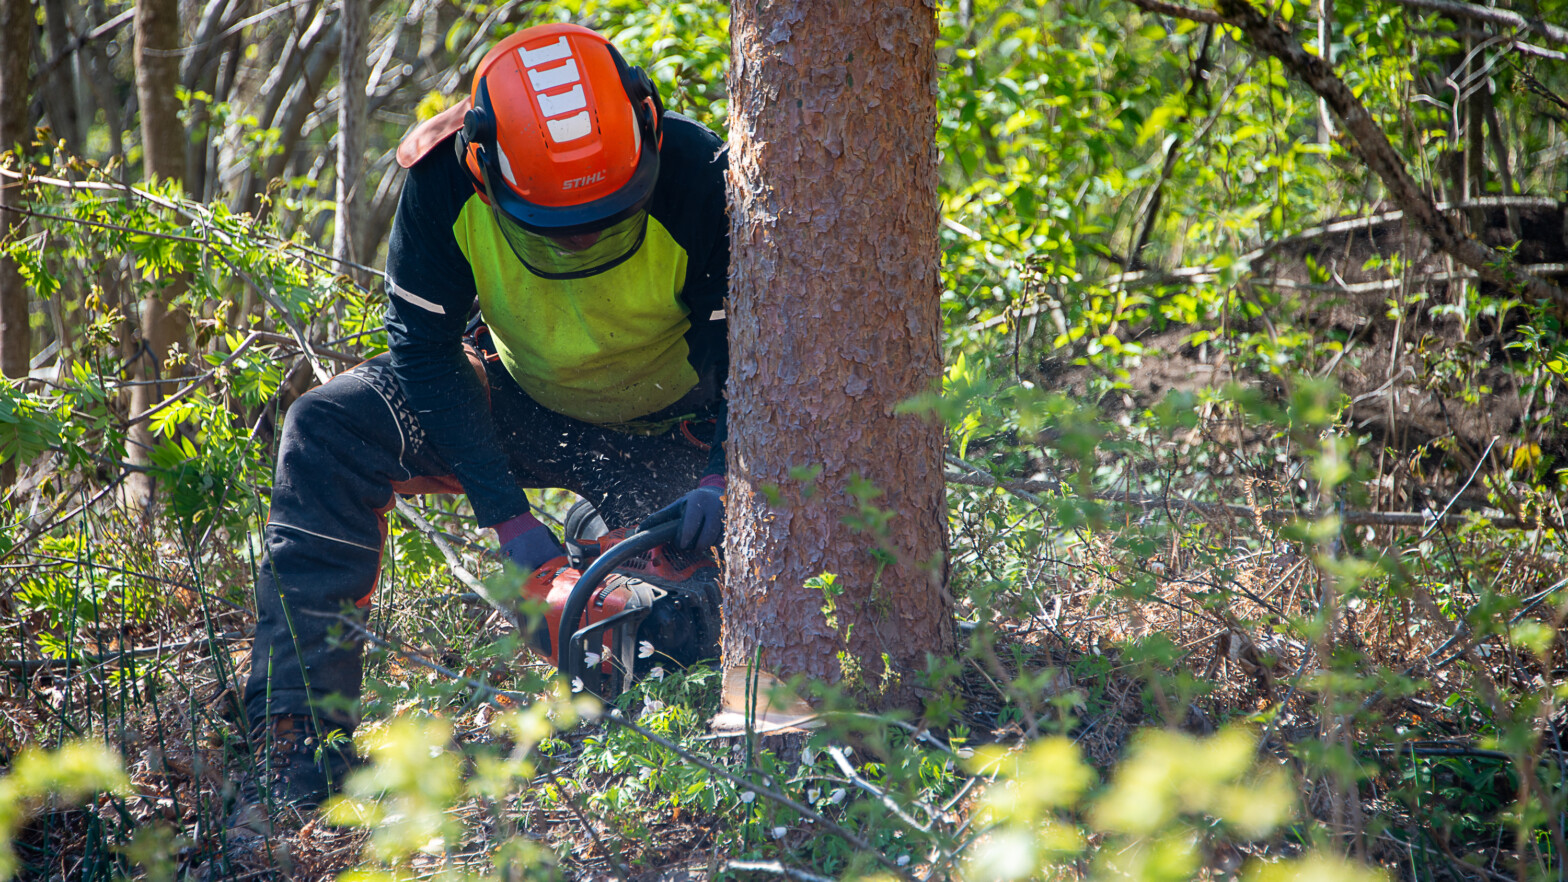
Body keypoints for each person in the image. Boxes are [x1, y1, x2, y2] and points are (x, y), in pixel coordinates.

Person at [232, 22, 729, 823]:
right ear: (483, 167)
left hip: (674, 436)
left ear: (646, 125)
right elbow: (424, 352)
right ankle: (297, 737)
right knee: (328, 428)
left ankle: (605, 544)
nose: (586, 235)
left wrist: (723, 474)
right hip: (519, 406)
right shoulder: (443, 182)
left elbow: (772, 351)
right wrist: (506, 519)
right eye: (560, 225)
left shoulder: (704, 176)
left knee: (660, 632)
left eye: (607, 213)